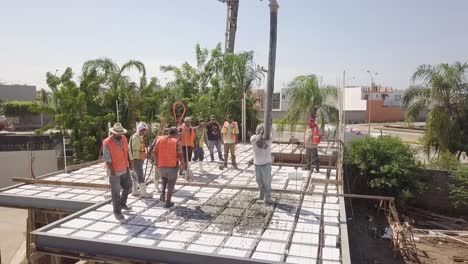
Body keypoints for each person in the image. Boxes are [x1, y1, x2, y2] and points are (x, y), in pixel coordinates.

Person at [102, 123, 133, 220]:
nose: (119, 135)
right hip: (113, 170)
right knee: (115, 192)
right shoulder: (107, 142)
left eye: (120, 133)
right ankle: (117, 211)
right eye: (117, 134)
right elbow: (107, 159)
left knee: (128, 186)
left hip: (124, 167)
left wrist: (130, 163)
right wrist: (113, 171)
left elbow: (126, 151)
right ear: (113, 133)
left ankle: (123, 203)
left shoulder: (124, 138)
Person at [154, 127, 185, 208]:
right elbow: (180, 154)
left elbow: (154, 151)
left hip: (161, 165)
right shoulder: (176, 141)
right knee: (171, 184)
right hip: (172, 166)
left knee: (164, 180)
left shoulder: (159, 140)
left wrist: (157, 162)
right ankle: (168, 202)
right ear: (175, 134)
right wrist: (183, 164)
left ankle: (162, 194)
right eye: (178, 134)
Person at [251, 124, 273, 204]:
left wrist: (268, 128)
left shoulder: (268, 138)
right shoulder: (253, 138)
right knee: (258, 180)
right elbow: (257, 139)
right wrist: (261, 133)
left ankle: (267, 196)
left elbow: (270, 136)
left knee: (267, 181)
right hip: (257, 164)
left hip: (266, 164)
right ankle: (261, 193)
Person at [129, 122, 153, 198]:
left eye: (144, 130)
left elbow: (141, 148)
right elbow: (129, 149)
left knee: (135, 175)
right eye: (142, 130)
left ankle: (134, 191)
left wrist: (146, 156)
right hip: (136, 159)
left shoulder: (140, 137)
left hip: (140, 158)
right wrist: (131, 160)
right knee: (140, 175)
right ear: (138, 130)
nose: (144, 132)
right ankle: (143, 193)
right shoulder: (135, 137)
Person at [148, 127, 170, 193]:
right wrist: (154, 160)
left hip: (163, 159)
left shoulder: (167, 139)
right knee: (159, 174)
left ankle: (160, 187)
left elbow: (152, 148)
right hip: (159, 159)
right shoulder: (159, 138)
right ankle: (158, 187)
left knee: (162, 174)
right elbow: (153, 149)